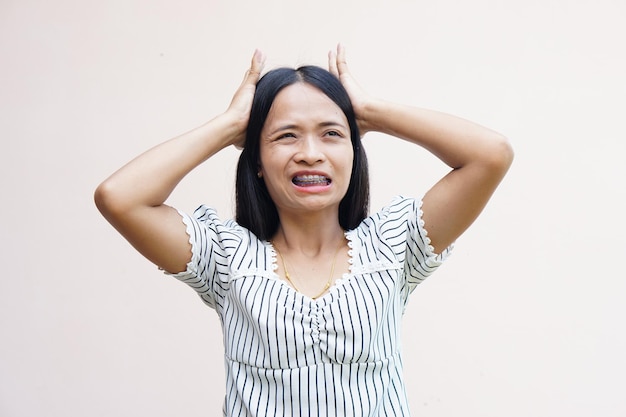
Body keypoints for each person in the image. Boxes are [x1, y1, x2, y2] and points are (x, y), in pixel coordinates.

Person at [94, 45, 513, 417]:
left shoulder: (394, 245)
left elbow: (490, 155)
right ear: (256, 158)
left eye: (331, 134)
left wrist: (371, 112)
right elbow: (119, 197)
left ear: (354, 151)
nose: (310, 154)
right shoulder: (223, 257)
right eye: (286, 136)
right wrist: (228, 125)